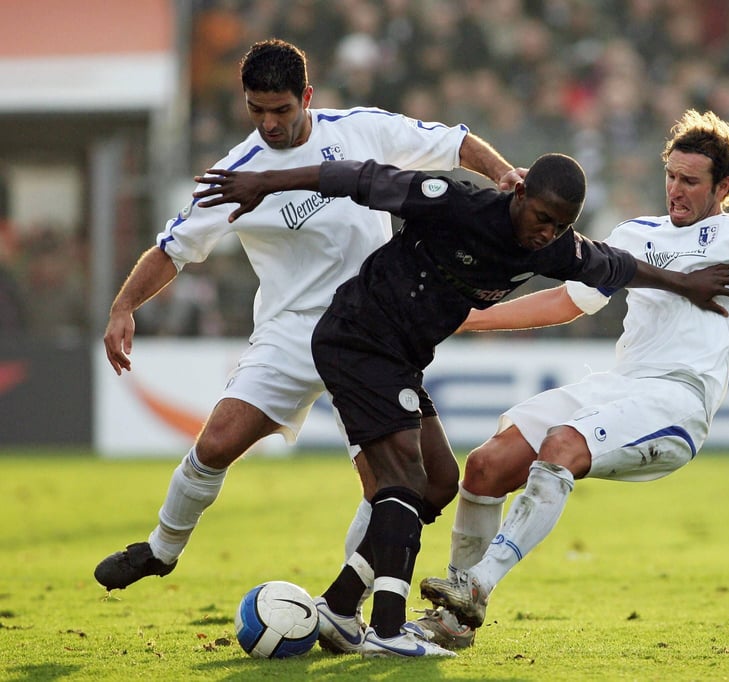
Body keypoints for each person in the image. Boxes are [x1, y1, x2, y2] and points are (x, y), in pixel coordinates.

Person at [191, 151, 729, 657]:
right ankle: (386, 633)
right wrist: (265, 181)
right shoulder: (455, 201)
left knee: (437, 483)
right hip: (357, 337)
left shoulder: (553, 245)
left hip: (400, 357)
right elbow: (356, 178)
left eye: (559, 225)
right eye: (540, 217)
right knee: (401, 483)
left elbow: (616, 266)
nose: (545, 233)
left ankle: (338, 608)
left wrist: (685, 284)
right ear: (520, 194)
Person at [417, 109, 729, 646]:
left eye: (690, 181)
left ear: (727, 185)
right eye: (670, 176)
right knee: (485, 466)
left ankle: (477, 586)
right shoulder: (634, 234)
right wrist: (468, 317)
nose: (675, 189)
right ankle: (451, 624)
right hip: (620, 385)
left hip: (678, 402)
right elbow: (568, 301)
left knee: (561, 445)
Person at [93, 38, 527, 618]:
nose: (269, 123)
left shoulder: (361, 129)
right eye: (257, 110)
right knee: (216, 442)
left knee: (425, 483)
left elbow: (454, 142)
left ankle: (343, 602)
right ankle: (161, 550)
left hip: (374, 330)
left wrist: (504, 175)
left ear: (307, 98)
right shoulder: (236, 173)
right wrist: (125, 306)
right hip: (292, 332)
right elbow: (172, 249)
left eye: (281, 110)